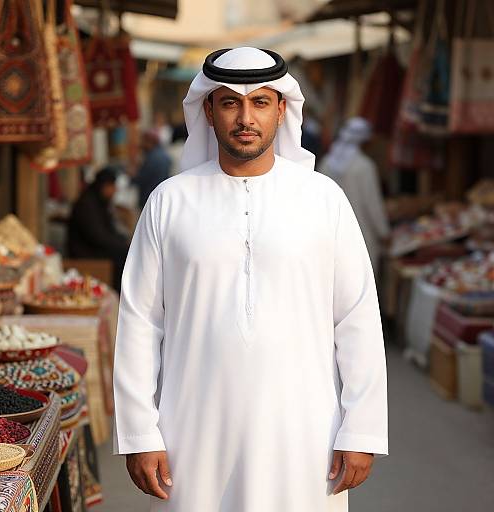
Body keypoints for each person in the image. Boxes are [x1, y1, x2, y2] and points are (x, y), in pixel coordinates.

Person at [113, 47, 388, 512]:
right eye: (230, 103)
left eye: (260, 102)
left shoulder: (323, 199)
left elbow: (356, 316)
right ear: (208, 110)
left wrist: (361, 428)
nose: (246, 117)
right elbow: (140, 322)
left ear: (282, 109)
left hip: (305, 434)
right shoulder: (170, 201)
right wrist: (140, 432)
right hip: (193, 433)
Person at [319, 117, 390, 276]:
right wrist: (384, 233)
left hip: (329, 237)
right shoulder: (364, 167)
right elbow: (373, 205)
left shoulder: (326, 163)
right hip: (361, 237)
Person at [68, 166, 129, 291]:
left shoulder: (100, 201)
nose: (114, 190)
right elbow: (97, 236)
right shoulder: (87, 204)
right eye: (112, 186)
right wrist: (120, 244)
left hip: (95, 246)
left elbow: (109, 229)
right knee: (122, 255)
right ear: (104, 186)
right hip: (84, 251)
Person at [133, 129, 172, 209]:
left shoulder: (152, 158)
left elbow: (141, 179)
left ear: (149, 142)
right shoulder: (164, 155)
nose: (141, 144)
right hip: (161, 197)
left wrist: (132, 175)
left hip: (150, 198)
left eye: (143, 141)